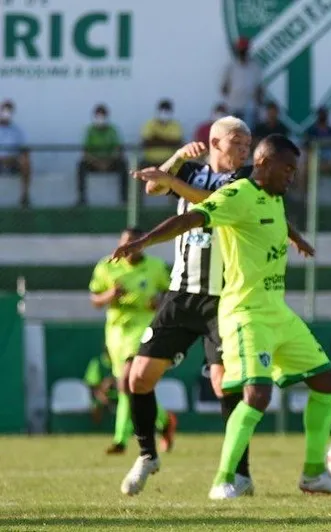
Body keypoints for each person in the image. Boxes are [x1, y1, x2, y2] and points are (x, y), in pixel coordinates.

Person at [112, 134, 331, 498]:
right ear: (262, 164)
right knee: (256, 394)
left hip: (278, 311)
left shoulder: (274, 199)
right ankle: (225, 479)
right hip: (246, 311)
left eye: (295, 170)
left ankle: (313, 474)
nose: (292, 176)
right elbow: (193, 217)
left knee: (326, 383)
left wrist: (296, 238)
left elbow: (269, 220)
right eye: (286, 168)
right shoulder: (237, 194)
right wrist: (143, 241)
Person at [117, 118, 258, 496]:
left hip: (223, 299)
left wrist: (176, 177)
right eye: (237, 141)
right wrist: (178, 156)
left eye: (248, 142)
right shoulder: (192, 168)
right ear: (214, 141)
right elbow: (153, 185)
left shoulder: (245, 178)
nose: (245, 148)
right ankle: (148, 455)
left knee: (224, 383)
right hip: (181, 295)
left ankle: (238, 473)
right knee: (138, 378)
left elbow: (208, 204)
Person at [89, 228, 174, 456]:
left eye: (135, 242)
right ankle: (164, 420)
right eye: (126, 242)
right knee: (129, 385)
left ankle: (121, 439)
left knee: (127, 380)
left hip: (143, 326)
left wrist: (159, 302)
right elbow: (95, 300)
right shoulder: (107, 266)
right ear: (120, 243)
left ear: (142, 245)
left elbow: (171, 293)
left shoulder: (155, 267)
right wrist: (110, 295)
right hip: (116, 329)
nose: (129, 247)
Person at [77, 104, 128, 205]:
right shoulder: (89, 131)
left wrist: (107, 162)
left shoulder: (112, 130)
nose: (100, 119)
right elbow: (85, 152)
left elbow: (118, 150)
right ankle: (82, 199)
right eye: (98, 116)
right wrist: (98, 163)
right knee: (81, 165)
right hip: (94, 163)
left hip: (110, 162)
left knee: (123, 164)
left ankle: (124, 199)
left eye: (103, 116)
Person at [221, 37, 263, 128]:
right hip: (233, 106)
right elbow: (224, 87)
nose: (242, 52)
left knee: (248, 133)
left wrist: (259, 103)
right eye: (240, 50)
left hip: (250, 106)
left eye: (244, 50)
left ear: (247, 50)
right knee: (233, 133)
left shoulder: (255, 67)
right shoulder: (231, 67)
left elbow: (259, 87)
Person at [0, 100, 31, 207]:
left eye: (8, 111)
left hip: (13, 161)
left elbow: (25, 149)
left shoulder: (17, 130)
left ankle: (24, 196)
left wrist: (21, 157)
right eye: (4, 111)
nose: (6, 114)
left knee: (25, 162)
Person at [140, 99, 183, 168]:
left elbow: (176, 143)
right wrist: (167, 140)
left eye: (167, 110)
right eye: (162, 110)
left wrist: (156, 138)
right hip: (150, 161)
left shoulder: (176, 125)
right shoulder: (149, 124)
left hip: (170, 162)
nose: (164, 113)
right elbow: (146, 143)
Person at [84, 350, 116, 425]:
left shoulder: (123, 362)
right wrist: (102, 396)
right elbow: (92, 387)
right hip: (101, 396)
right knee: (96, 406)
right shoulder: (97, 362)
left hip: (120, 395)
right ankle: (97, 428)